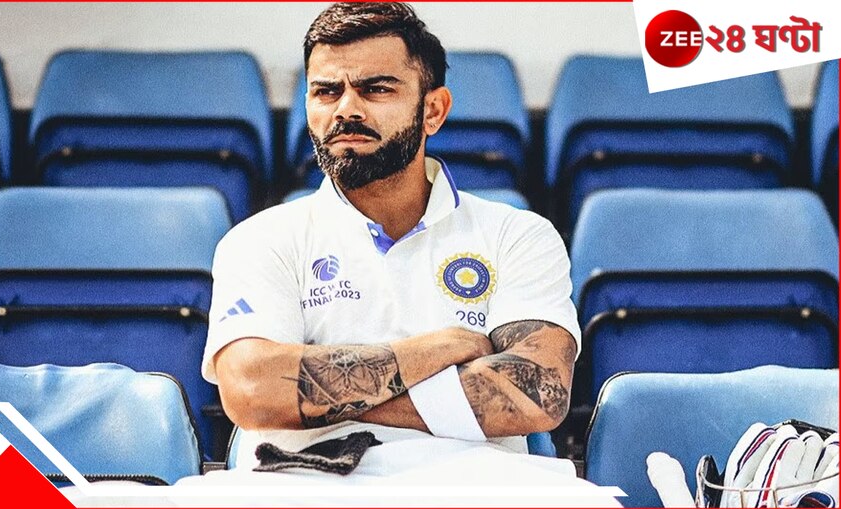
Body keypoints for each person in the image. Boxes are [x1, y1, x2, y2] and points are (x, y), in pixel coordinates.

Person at [203, 1, 581, 479]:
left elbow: (537, 392)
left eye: (376, 88)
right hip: (305, 484)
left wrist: (311, 394)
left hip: (475, 486)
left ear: (433, 111)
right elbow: (253, 390)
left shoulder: (518, 235)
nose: (346, 109)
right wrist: (437, 350)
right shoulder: (259, 239)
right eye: (326, 91)